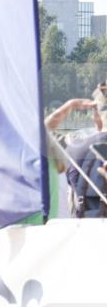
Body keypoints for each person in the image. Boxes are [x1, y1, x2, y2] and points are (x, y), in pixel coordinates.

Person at [44, 82, 107, 217]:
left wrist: (70, 106)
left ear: (96, 115)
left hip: (84, 230)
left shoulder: (75, 148)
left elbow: (42, 132)